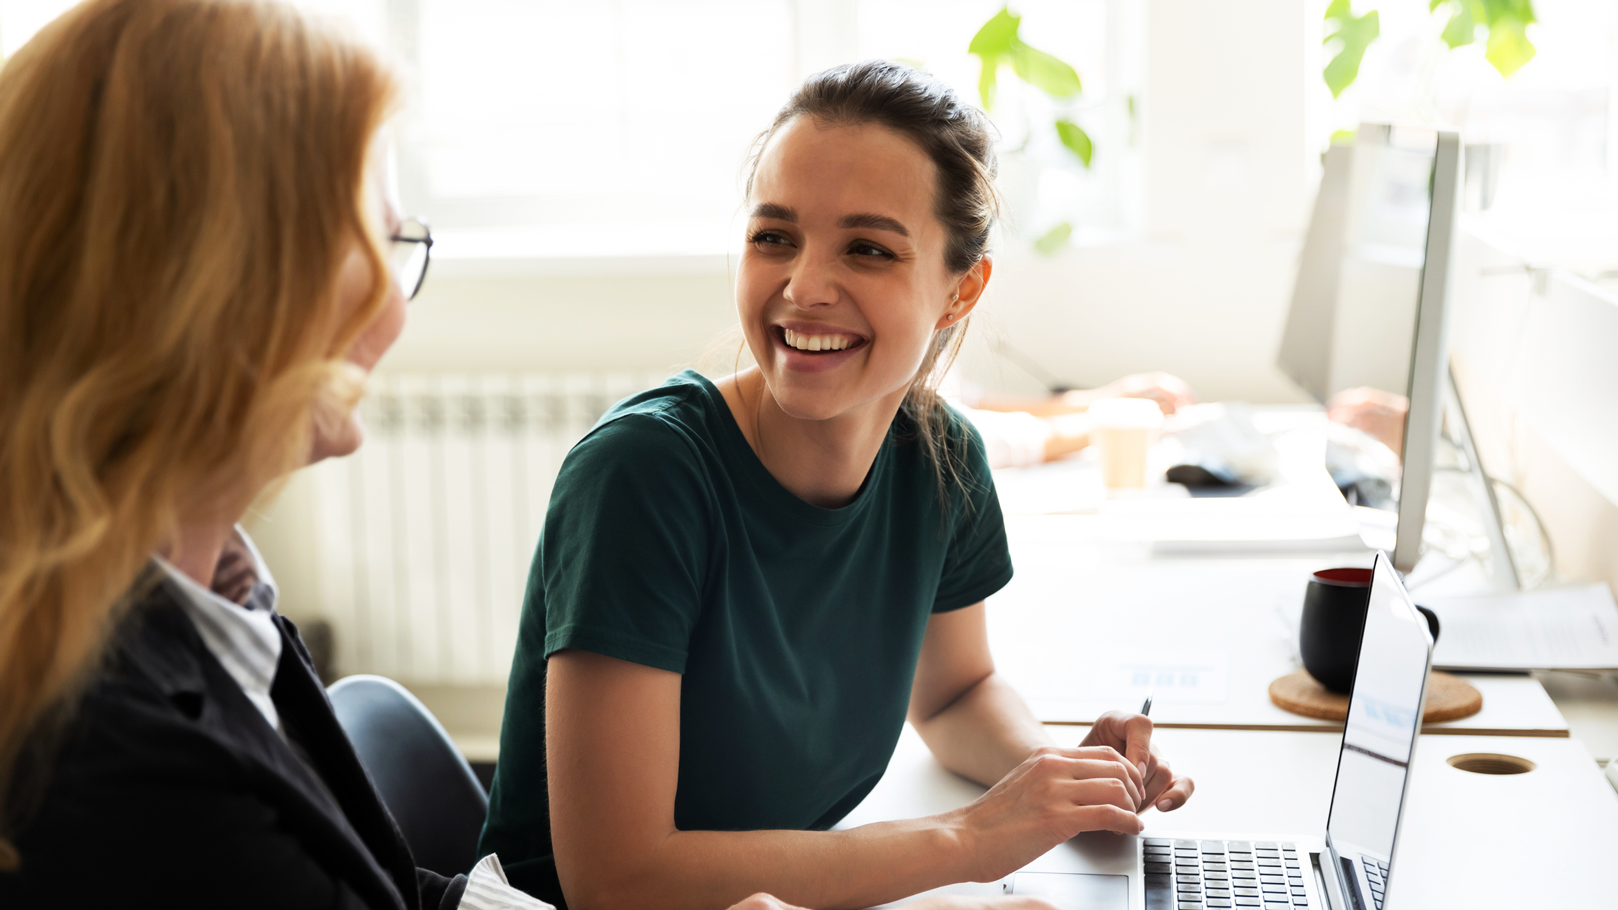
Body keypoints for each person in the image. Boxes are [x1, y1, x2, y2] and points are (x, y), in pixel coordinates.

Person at [479, 61, 1194, 910]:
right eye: (773, 236)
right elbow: (618, 879)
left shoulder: (942, 460)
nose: (804, 287)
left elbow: (957, 692)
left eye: (868, 248)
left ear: (961, 289)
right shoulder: (642, 476)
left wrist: (1054, 780)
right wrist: (969, 839)